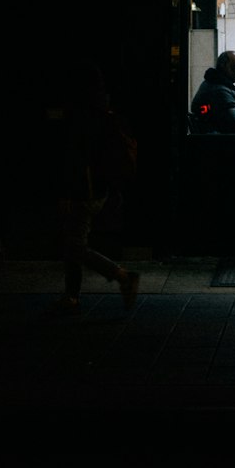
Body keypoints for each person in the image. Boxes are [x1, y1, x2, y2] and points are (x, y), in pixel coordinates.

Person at [51, 60, 140, 316]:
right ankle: (71, 296)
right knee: (74, 239)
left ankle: (121, 275)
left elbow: (77, 158)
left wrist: (67, 191)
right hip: (100, 187)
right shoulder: (105, 112)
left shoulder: (81, 116)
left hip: (83, 189)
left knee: (74, 245)